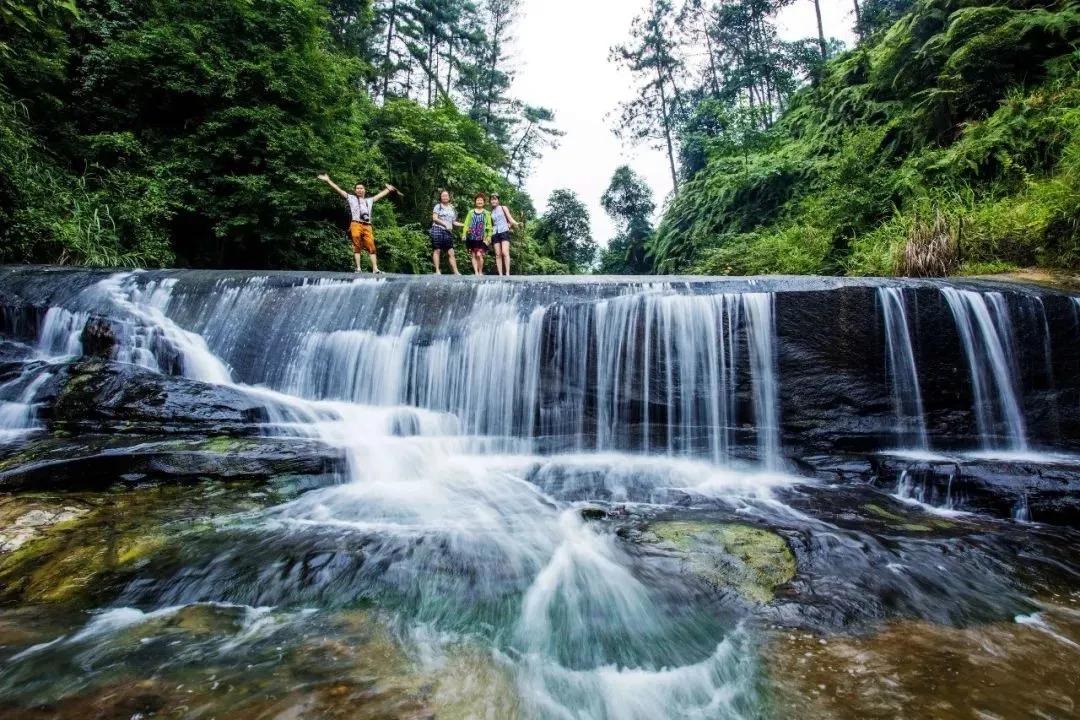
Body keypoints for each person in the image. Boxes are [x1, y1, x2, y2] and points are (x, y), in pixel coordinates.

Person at [318, 173, 396, 273]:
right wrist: (328, 180)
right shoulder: (351, 198)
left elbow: (380, 195)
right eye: (357, 188)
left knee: (371, 246)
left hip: (367, 225)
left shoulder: (369, 200)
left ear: (364, 190)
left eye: (361, 188)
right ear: (355, 191)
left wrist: (388, 189)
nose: (359, 190)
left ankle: (375, 268)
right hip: (356, 224)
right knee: (356, 245)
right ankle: (358, 268)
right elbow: (338, 190)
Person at [430, 190, 462, 275]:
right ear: (440, 197)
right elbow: (435, 218)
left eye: (446, 195)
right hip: (437, 229)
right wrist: (445, 224)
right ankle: (437, 270)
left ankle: (456, 272)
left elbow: (454, 222)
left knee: (451, 252)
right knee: (437, 250)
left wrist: (464, 225)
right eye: (443, 196)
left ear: (449, 197)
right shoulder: (438, 206)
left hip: (448, 231)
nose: (444, 197)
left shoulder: (452, 208)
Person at [489, 193, 521, 276]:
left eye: (495, 199)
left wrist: (517, 224)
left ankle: (507, 273)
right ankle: (500, 274)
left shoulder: (503, 208)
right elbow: (490, 225)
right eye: (492, 199)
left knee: (505, 252)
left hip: (504, 231)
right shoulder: (491, 212)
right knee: (497, 254)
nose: (493, 200)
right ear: (490, 201)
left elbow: (510, 218)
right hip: (495, 233)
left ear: (498, 200)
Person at [461, 192, 493, 276]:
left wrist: (489, 236)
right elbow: (466, 224)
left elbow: (489, 225)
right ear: (475, 202)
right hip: (471, 236)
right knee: (473, 255)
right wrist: (464, 234)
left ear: (484, 202)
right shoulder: (471, 212)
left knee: (479, 254)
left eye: (481, 200)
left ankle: (480, 271)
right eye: (478, 200)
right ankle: (475, 272)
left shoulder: (486, 213)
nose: (479, 201)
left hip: (482, 237)